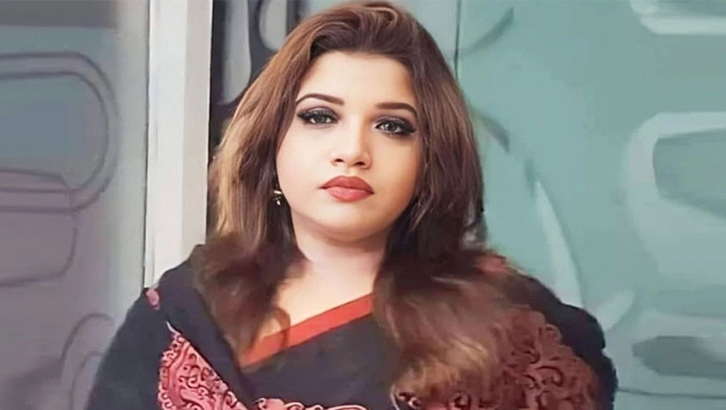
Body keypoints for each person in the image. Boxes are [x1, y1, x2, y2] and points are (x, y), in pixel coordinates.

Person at [86, 1, 617, 409]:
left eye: (392, 126)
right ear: (272, 143)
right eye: (320, 117)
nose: (353, 151)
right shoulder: (183, 312)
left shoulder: (504, 323)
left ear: (429, 161)